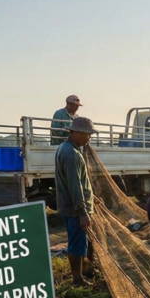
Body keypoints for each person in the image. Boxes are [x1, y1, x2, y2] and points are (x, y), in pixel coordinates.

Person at [55, 116, 96, 286]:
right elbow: (75, 186)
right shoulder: (71, 154)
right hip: (74, 209)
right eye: (87, 134)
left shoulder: (66, 148)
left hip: (74, 206)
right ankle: (78, 279)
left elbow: (80, 182)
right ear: (77, 132)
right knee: (77, 245)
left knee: (83, 241)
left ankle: (86, 270)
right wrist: (83, 212)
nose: (89, 138)